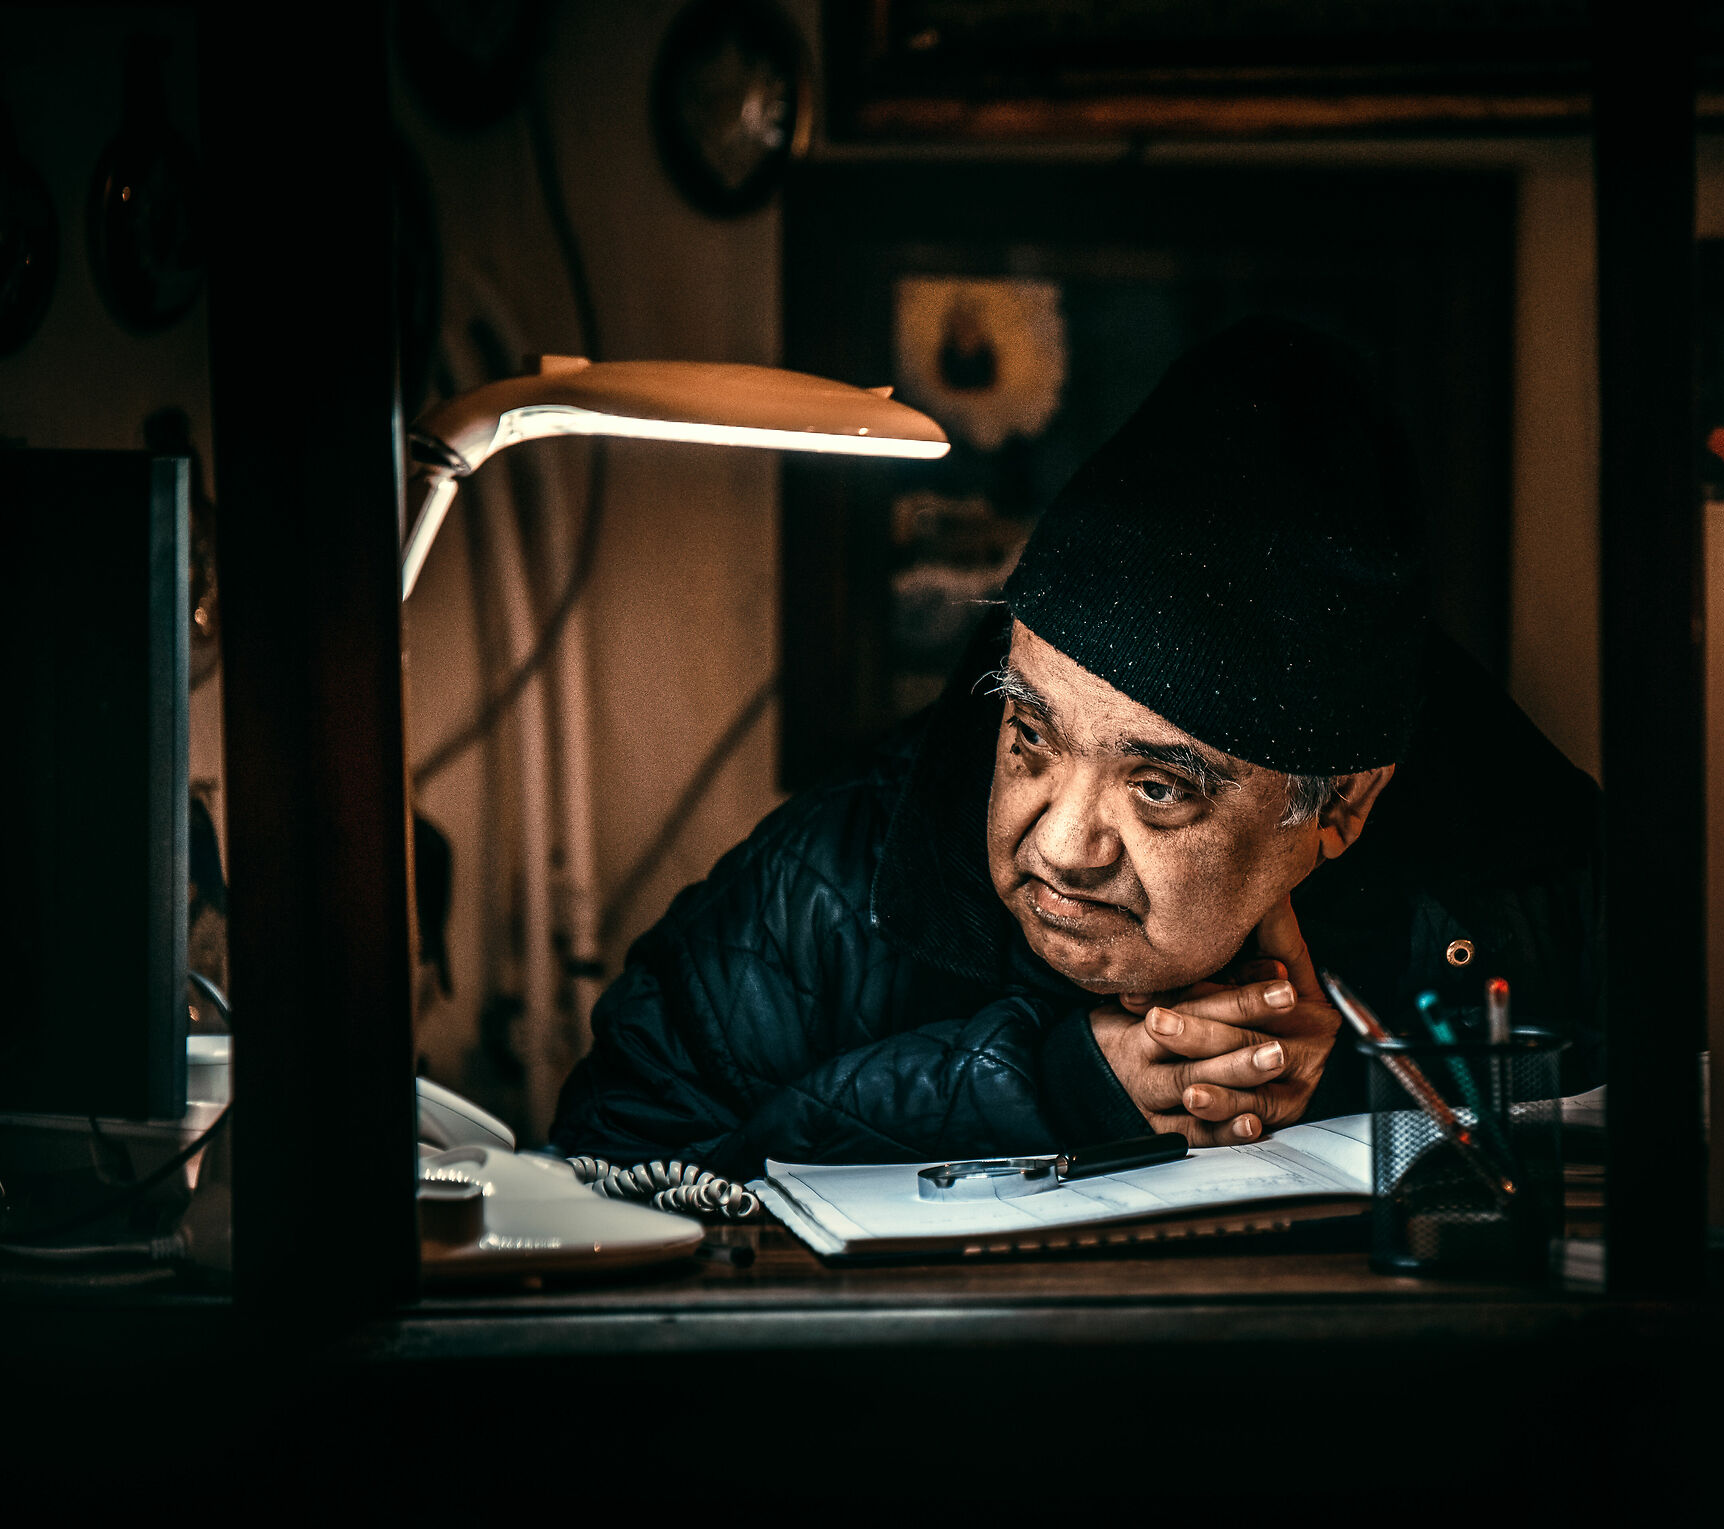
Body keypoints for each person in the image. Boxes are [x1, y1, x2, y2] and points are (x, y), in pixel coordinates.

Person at [548, 318, 1601, 1176]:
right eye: (1031, 738)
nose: (1059, 845)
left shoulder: (1532, 898)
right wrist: (1043, 1088)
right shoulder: (827, 892)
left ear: (1340, 808)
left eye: (1155, 789)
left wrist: (1363, 1082)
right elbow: (600, 1181)